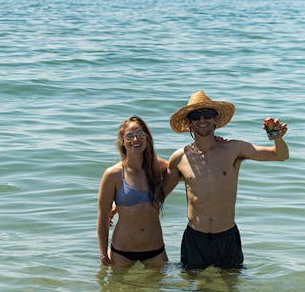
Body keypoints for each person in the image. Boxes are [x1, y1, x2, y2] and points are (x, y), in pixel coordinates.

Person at [165, 90, 288, 269]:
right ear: (189, 122)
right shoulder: (179, 158)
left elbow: (279, 155)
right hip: (195, 238)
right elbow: (158, 195)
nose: (202, 119)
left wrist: (277, 138)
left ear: (215, 119)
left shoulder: (234, 149)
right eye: (196, 115)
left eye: (207, 114)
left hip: (226, 236)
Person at [97, 115, 168, 268]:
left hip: (155, 249)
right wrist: (103, 254)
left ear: (147, 138)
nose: (136, 140)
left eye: (141, 135)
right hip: (122, 251)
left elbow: (186, 173)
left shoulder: (158, 167)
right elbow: (103, 218)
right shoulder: (113, 174)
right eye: (130, 136)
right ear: (122, 140)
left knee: (160, 291)